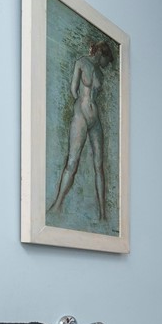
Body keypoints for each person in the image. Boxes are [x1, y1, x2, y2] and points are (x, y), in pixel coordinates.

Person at [48, 40, 114, 221]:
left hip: (95, 120)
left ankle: (102, 214)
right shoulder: (81, 63)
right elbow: (73, 90)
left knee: (99, 166)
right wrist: (81, 109)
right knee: (72, 161)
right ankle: (57, 204)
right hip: (81, 116)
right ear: (103, 54)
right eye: (107, 60)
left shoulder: (100, 73)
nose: (106, 66)